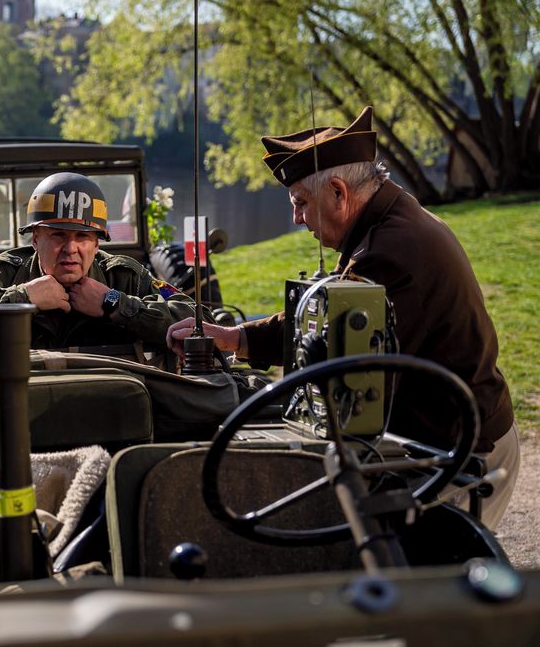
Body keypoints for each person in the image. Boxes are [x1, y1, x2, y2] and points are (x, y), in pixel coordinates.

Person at [166, 106, 518, 528]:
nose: (297, 218)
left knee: (414, 567)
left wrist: (245, 352)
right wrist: (235, 338)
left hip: (458, 452)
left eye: (301, 203)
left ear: (338, 191)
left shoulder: (389, 251)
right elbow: (326, 318)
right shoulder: (385, 218)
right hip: (444, 438)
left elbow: (337, 352)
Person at [0, 172, 194, 355]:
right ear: (35, 239)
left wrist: (113, 303)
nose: (70, 249)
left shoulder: (123, 277)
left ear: (97, 244)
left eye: (82, 237)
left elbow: (197, 322)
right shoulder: (1, 274)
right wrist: (21, 299)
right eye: (58, 235)